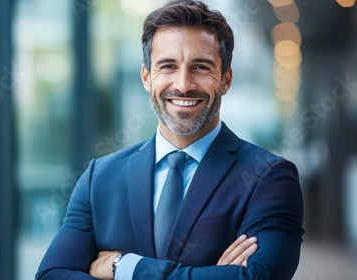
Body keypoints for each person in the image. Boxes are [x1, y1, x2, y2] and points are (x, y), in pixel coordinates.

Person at [36, 0, 304, 279]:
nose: (183, 85)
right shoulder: (99, 178)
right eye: (168, 66)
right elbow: (51, 275)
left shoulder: (269, 178)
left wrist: (124, 267)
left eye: (200, 67)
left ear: (225, 80)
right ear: (146, 77)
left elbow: (259, 277)